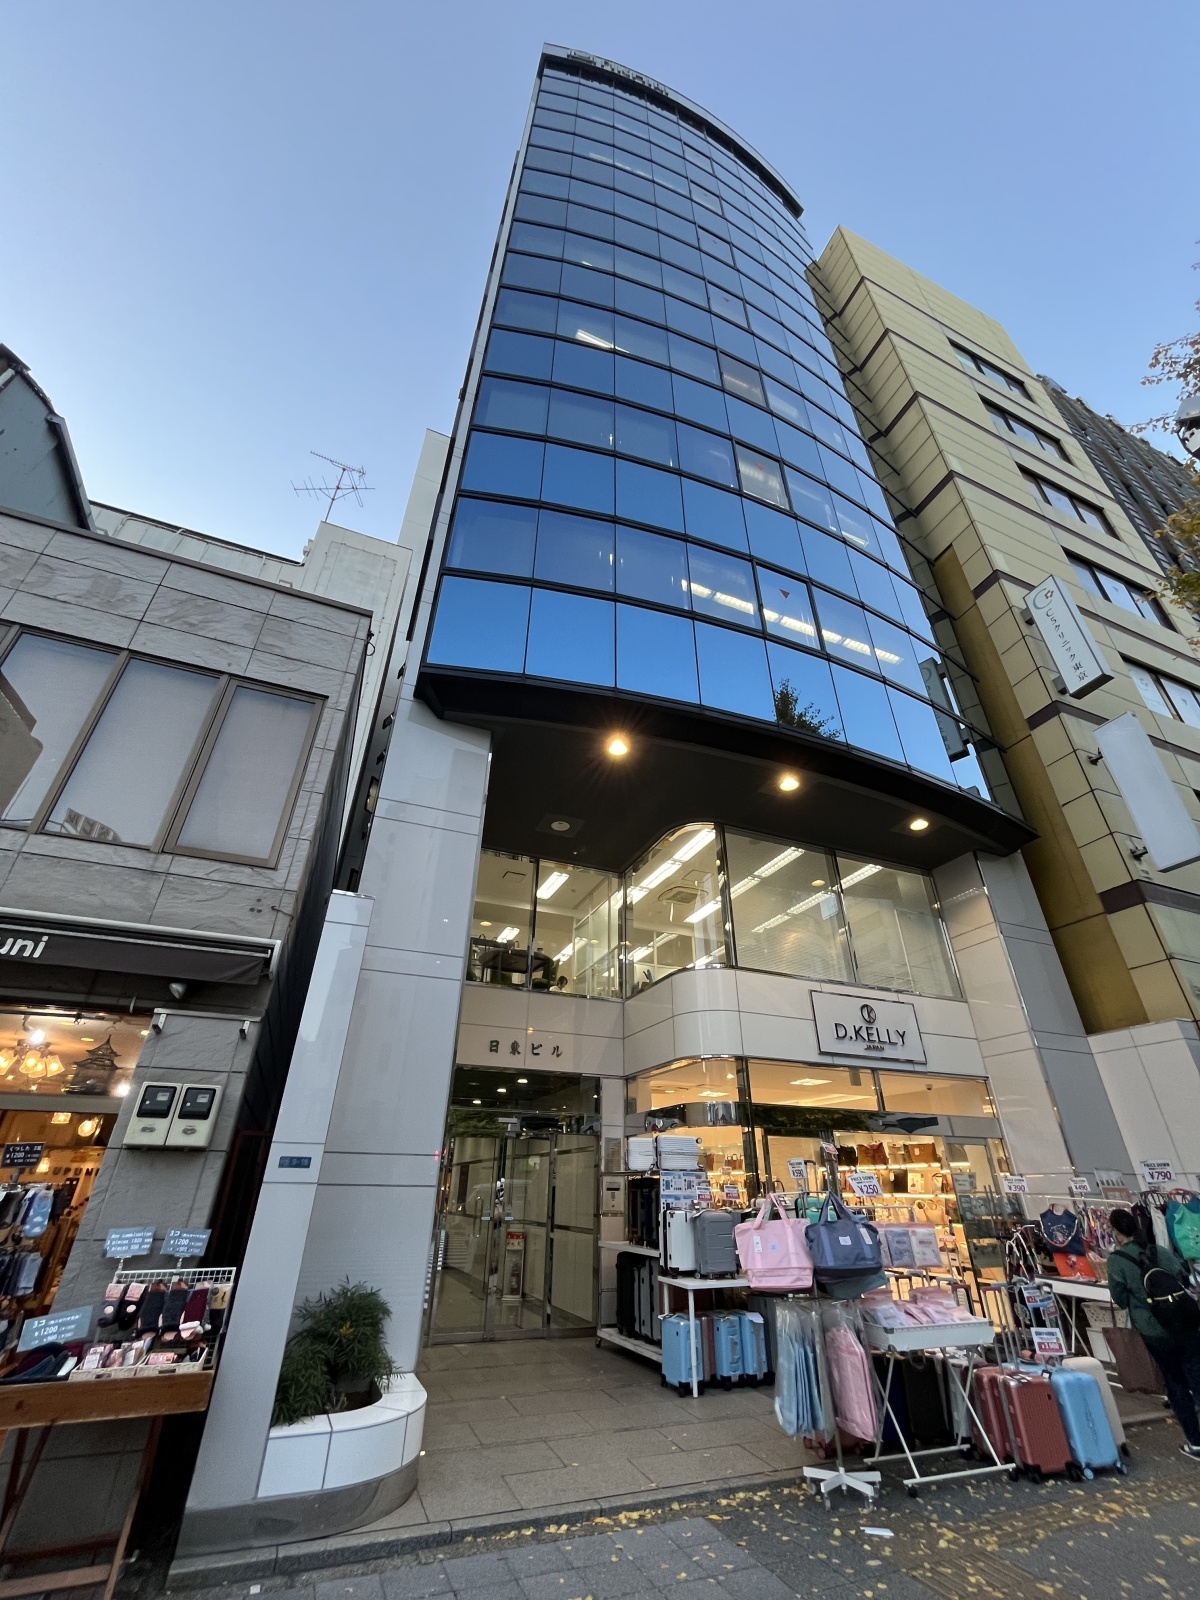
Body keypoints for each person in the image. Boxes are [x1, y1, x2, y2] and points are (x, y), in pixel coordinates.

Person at [1107, 1207, 1200, 1461]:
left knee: (1175, 1382)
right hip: (1186, 1322)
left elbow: (1120, 1299)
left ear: (1116, 1232)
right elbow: (1183, 1275)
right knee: (1196, 1375)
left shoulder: (1117, 1261)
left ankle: (1196, 1443)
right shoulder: (1158, 1250)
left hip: (1154, 1330)